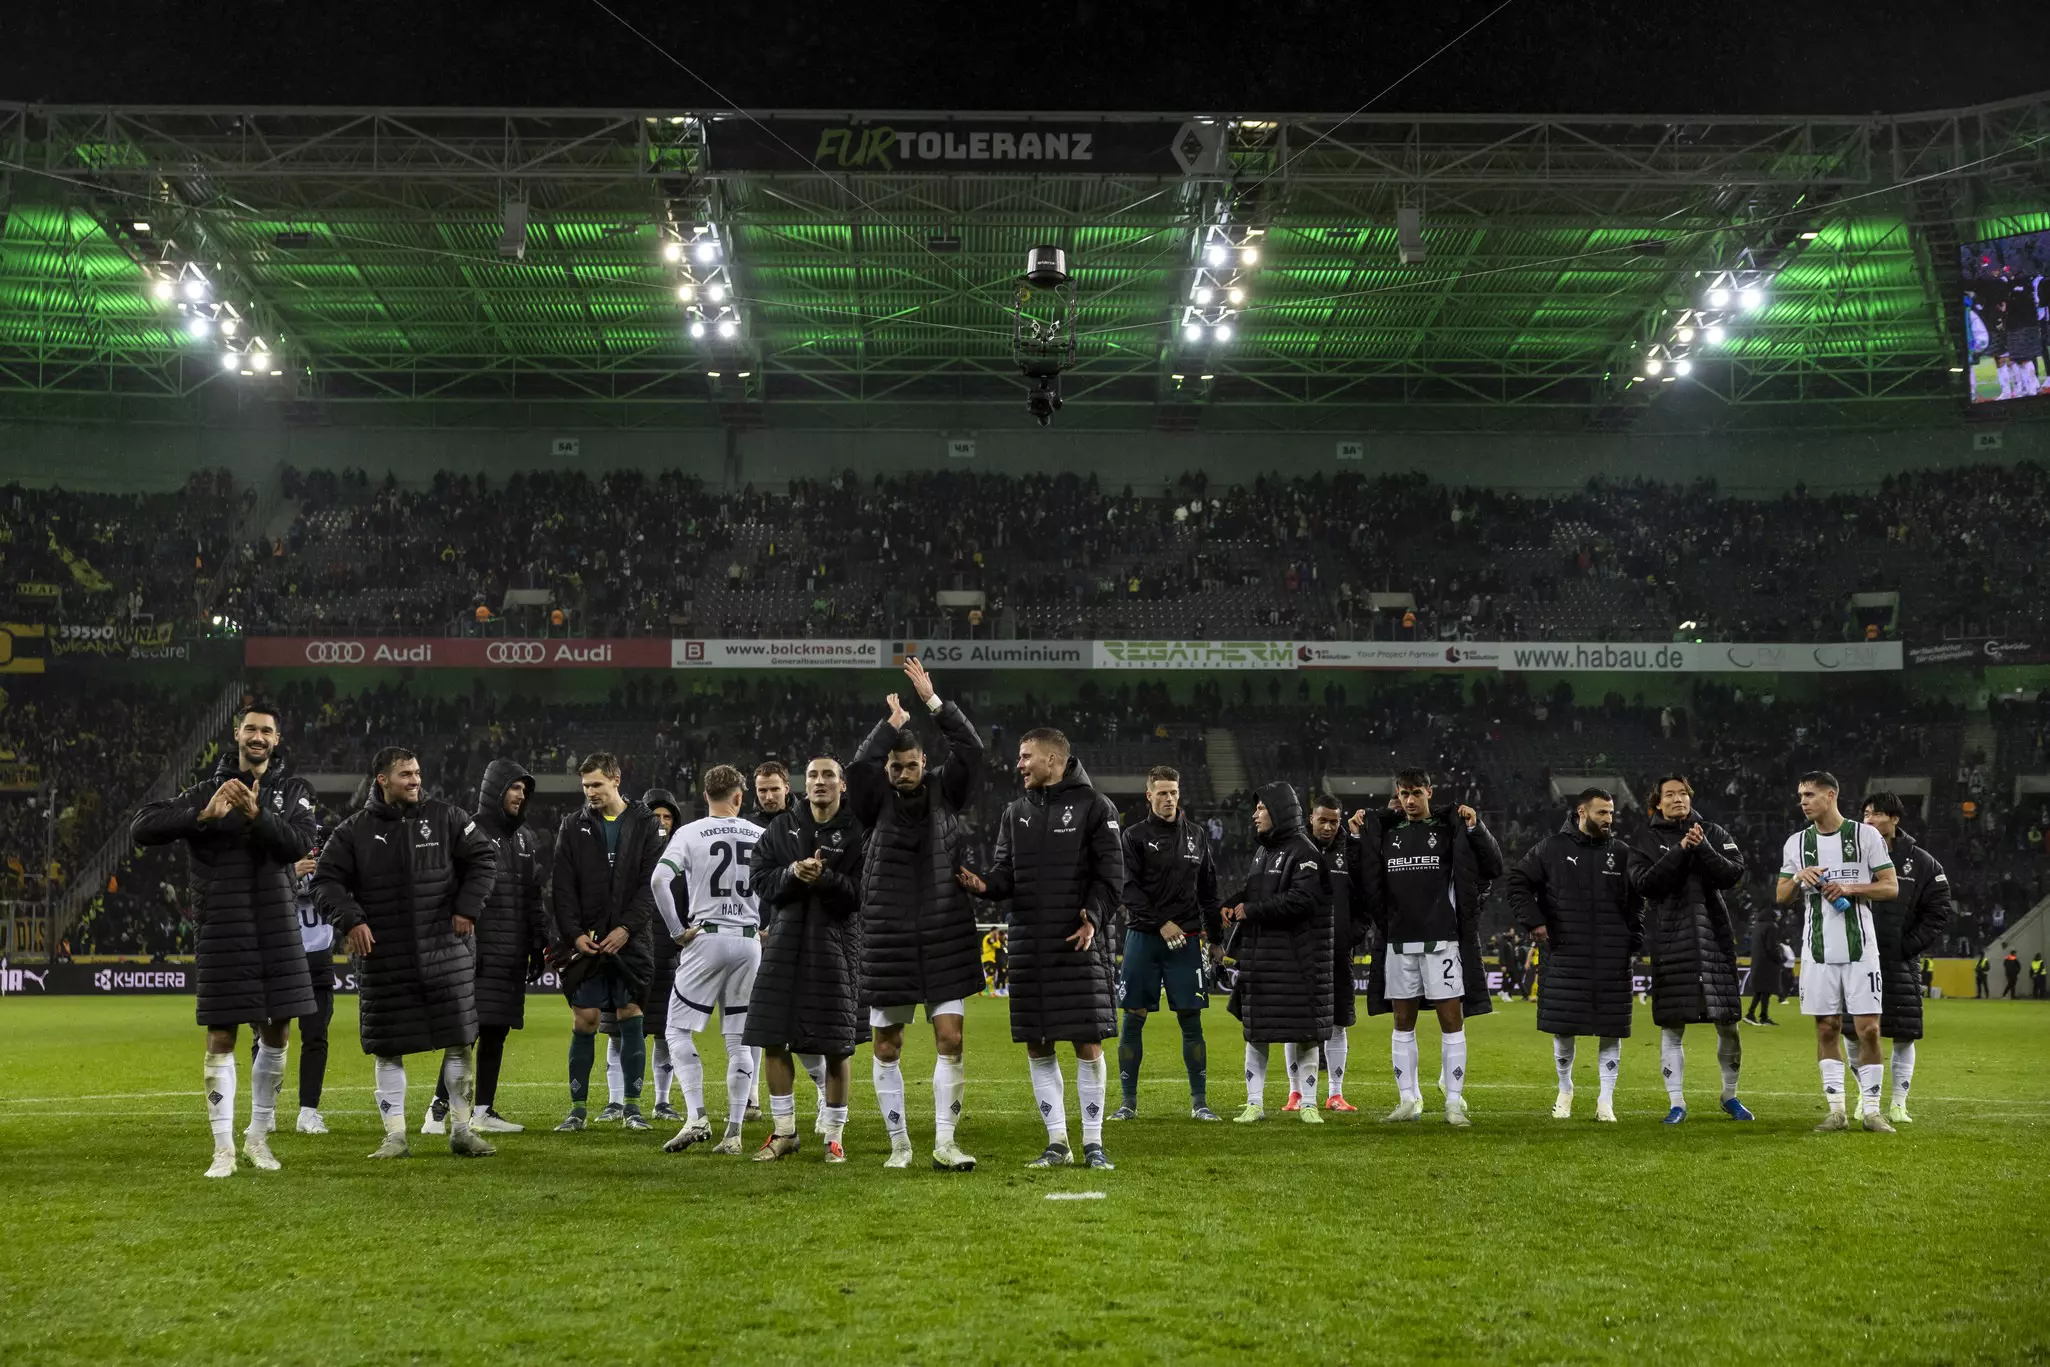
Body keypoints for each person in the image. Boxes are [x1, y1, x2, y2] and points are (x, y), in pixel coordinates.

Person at [133, 701, 319, 1178]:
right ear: (237, 734)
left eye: (267, 731)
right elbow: (143, 826)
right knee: (221, 1035)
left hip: (278, 926)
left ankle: (258, 1138)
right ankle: (223, 1149)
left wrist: (257, 815)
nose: (258, 737)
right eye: (251, 729)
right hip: (223, 928)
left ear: (276, 741)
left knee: (278, 1032)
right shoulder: (204, 789)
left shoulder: (294, 791)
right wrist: (202, 813)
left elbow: (299, 844)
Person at [312, 747, 498, 1159]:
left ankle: (462, 1131)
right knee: (388, 1046)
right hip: (385, 957)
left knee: (459, 1042)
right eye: (405, 774)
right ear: (382, 779)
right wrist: (352, 920)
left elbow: (485, 859)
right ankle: (394, 1136)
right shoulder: (353, 831)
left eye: (417, 773)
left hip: (446, 951)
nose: (415, 780)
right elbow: (325, 881)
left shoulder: (448, 818)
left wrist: (468, 906)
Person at [958, 727, 1124, 1169]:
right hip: (1030, 944)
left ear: (1053, 760)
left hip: (1078, 943)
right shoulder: (1015, 812)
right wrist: (984, 884)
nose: (1019, 764)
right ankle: (1057, 1142)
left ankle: (1093, 1143)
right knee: (1037, 1044)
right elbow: (1004, 875)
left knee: (1087, 1044)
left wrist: (1092, 915)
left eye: (1026, 755)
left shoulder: (1096, 807)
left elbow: (1111, 878)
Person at [846, 657, 985, 1172]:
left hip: (944, 933)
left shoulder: (946, 791)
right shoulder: (871, 798)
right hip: (887, 938)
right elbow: (858, 769)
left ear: (925, 763)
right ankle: (899, 1144)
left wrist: (933, 702)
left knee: (951, 1038)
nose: (902, 773)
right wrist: (890, 726)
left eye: (911, 765)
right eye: (895, 766)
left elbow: (971, 749)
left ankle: (945, 1144)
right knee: (887, 1044)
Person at [1353, 771, 1498, 1126]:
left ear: (1429, 792)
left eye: (1417, 792)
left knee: (1452, 1020)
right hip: (1399, 943)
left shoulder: (1450, 829)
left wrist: (1477, 828)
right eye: (1404, 794)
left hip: (1442, 942)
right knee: (1402, 1022)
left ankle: (1453, 1101)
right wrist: (1358, 830)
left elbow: (1493, 866)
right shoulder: (1386, 832)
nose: (1410, 800)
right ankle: (1408, 1100)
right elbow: (1361, 877)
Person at [744, 756, 865, 1163]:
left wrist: (826, 878)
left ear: (842, 785)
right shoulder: (780, 828)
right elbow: (759, 880)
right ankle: (784, 1133)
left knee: (836, 1045)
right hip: (783, 946)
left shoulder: (858, 832)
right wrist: (793, 872)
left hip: (835, 947)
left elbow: (864, 893)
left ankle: (834, 1135)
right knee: (772, 1036)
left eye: (828, 775)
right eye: (812, 775)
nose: (819, 781)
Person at [426, 760, 550, 1136]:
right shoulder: (469, 831)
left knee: (497, 1030)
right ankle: (437, 1110)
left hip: (511, 951)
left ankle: (483, 1109)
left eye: (524, 790)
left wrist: (537, 940)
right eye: (514, 788)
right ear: (495, 789)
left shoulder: (527, 838)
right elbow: (449, 889)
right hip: (474, 949)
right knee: (465, 1032)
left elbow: (533, 897)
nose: (520, 795)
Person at [1776, 770, 1899, 1133]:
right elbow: (1781, 896)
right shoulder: (1796, 844)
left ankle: (1873, 1110)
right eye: (1801, 795)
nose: (1803, 801)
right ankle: (1836, 1111)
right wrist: (1800, 878)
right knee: (1827, 1028)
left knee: (1869, 1030)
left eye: (1810, 794)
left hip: (1861, 948)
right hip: (1816, 951)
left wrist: (1849, 888)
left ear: (1831, 796)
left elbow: (1890, 887)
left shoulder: (1866, 836)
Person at [1508, 787, 1641, 1124]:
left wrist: (1634, 938)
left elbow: (1637, 902)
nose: (1609, 819)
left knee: (1611, 1028)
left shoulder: (1622, 853)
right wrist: (1534, 920)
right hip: (1566, 953)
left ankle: (1606, 1100)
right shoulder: (1551, 848)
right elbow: (1517, 882)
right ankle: (1565, 1091)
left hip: (1612, 956)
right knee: (1564, 1027)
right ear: (1582, 812)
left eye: (1611, 813)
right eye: (1602, 813)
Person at [651, 766, 764, 1155]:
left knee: (676, 1031)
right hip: (749, 941)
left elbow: (659, 881)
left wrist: (676, 931)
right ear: (739, 797)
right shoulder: (759, 834)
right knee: (738, 1040)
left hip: (706, 937)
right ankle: (732, 1134)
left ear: (705, 797)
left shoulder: (690, 833)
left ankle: (697, 1117)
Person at [1628, 775, 1753, 1124]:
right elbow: (1644, 883)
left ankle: (1730, 1096)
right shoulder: (1645, 839)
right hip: (1671, 941)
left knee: (1728, 1022)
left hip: (1714, 939)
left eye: (1683, 793)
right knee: (1672, 1025)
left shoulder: (1712, 832)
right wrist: (1682, 850)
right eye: (1669, 794)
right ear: (1657, 802)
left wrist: (1702, 847)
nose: (1678, 799)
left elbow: (1734, 875)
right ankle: (1677, 1103)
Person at [551, 753, 664, 1133]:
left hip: (631, 941)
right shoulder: (573, 826)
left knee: (631, 1016)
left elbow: (653, 884)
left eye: (596, 784)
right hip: (588, 942)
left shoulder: (646, 823)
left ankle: (632, 1108)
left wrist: (628, 929)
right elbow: (562, 888)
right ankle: (577, 1109)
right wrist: (575, 935)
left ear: (616, 779)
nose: (590, 793)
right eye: (585, 786)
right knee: (586, 1019)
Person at [1111, 765, 1223, 1122]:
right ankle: (1128, 1102)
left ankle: (1200, 1103)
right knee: (1133, 1017)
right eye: (1162, 793)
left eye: (1173, 792)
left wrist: (1217, 940)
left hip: (1186, 940)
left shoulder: (1197, 836)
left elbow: (1208, 891)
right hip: (1144, 937)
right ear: (1149, 796)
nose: (1169, 799)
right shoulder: (1133, 836)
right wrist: (1161, 923)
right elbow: (1128, 889)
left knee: (1191, 1019)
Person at [1218, 781, 1331, 1127]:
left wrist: (1251, 910)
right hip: (1263, 959)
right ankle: (1254, 1104)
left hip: (1298, 960)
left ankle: (1309, 1103)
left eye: (1261, 808)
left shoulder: (1305, 852)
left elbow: (1302, 900)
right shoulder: (1263, 852)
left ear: (1279, 812)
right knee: (1257, 1032)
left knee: (1305, 1033)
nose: (1255, 815)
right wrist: (1233, 902)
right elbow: (1257, 891)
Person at [1852, 793, 1952, 1124]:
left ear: (1895, 819)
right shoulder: (1852, 855)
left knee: (1903, 1032)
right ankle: (1864, 1098)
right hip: (1857, 957)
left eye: (1876, 814)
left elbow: (1938, 910)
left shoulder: (1921, 862)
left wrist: (1907, 945)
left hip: (1899, 960)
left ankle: (1898, 1103)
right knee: (1853, 1031)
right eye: (1865, 814)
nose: (1867, 820)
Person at [1295, 795, 1364, 1113]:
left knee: (1338, 1024)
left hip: (1338, 952)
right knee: (1295, 1022)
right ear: (1311, 818)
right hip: (1301, 951)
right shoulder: (1296, 850)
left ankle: (1335, 1093)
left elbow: (1366, 898)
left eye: (1334, 821)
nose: (1328, 826)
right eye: (1322, 820)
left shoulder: (1350, 853)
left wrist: (1353, 934)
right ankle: (1295, 1093)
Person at [638, 788, 688, 1122]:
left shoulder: (684, 856)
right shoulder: (631, 852)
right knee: (621, 1027)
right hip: (631, 948)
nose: (662, 822)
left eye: (667, 816)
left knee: (663, 1030)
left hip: (669, 951)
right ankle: (618, 1102)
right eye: (655, 816)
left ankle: (661, 1101)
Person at [1744, 907, 1781, 1025]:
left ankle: (1754, 1014)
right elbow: (1772, 947)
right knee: (1765, 991)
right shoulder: (1771, 926)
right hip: (1768, 964)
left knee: (1760, 991)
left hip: (1757, 962)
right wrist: (1779, 959)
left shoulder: (1757, 926)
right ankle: (1760, 1016)